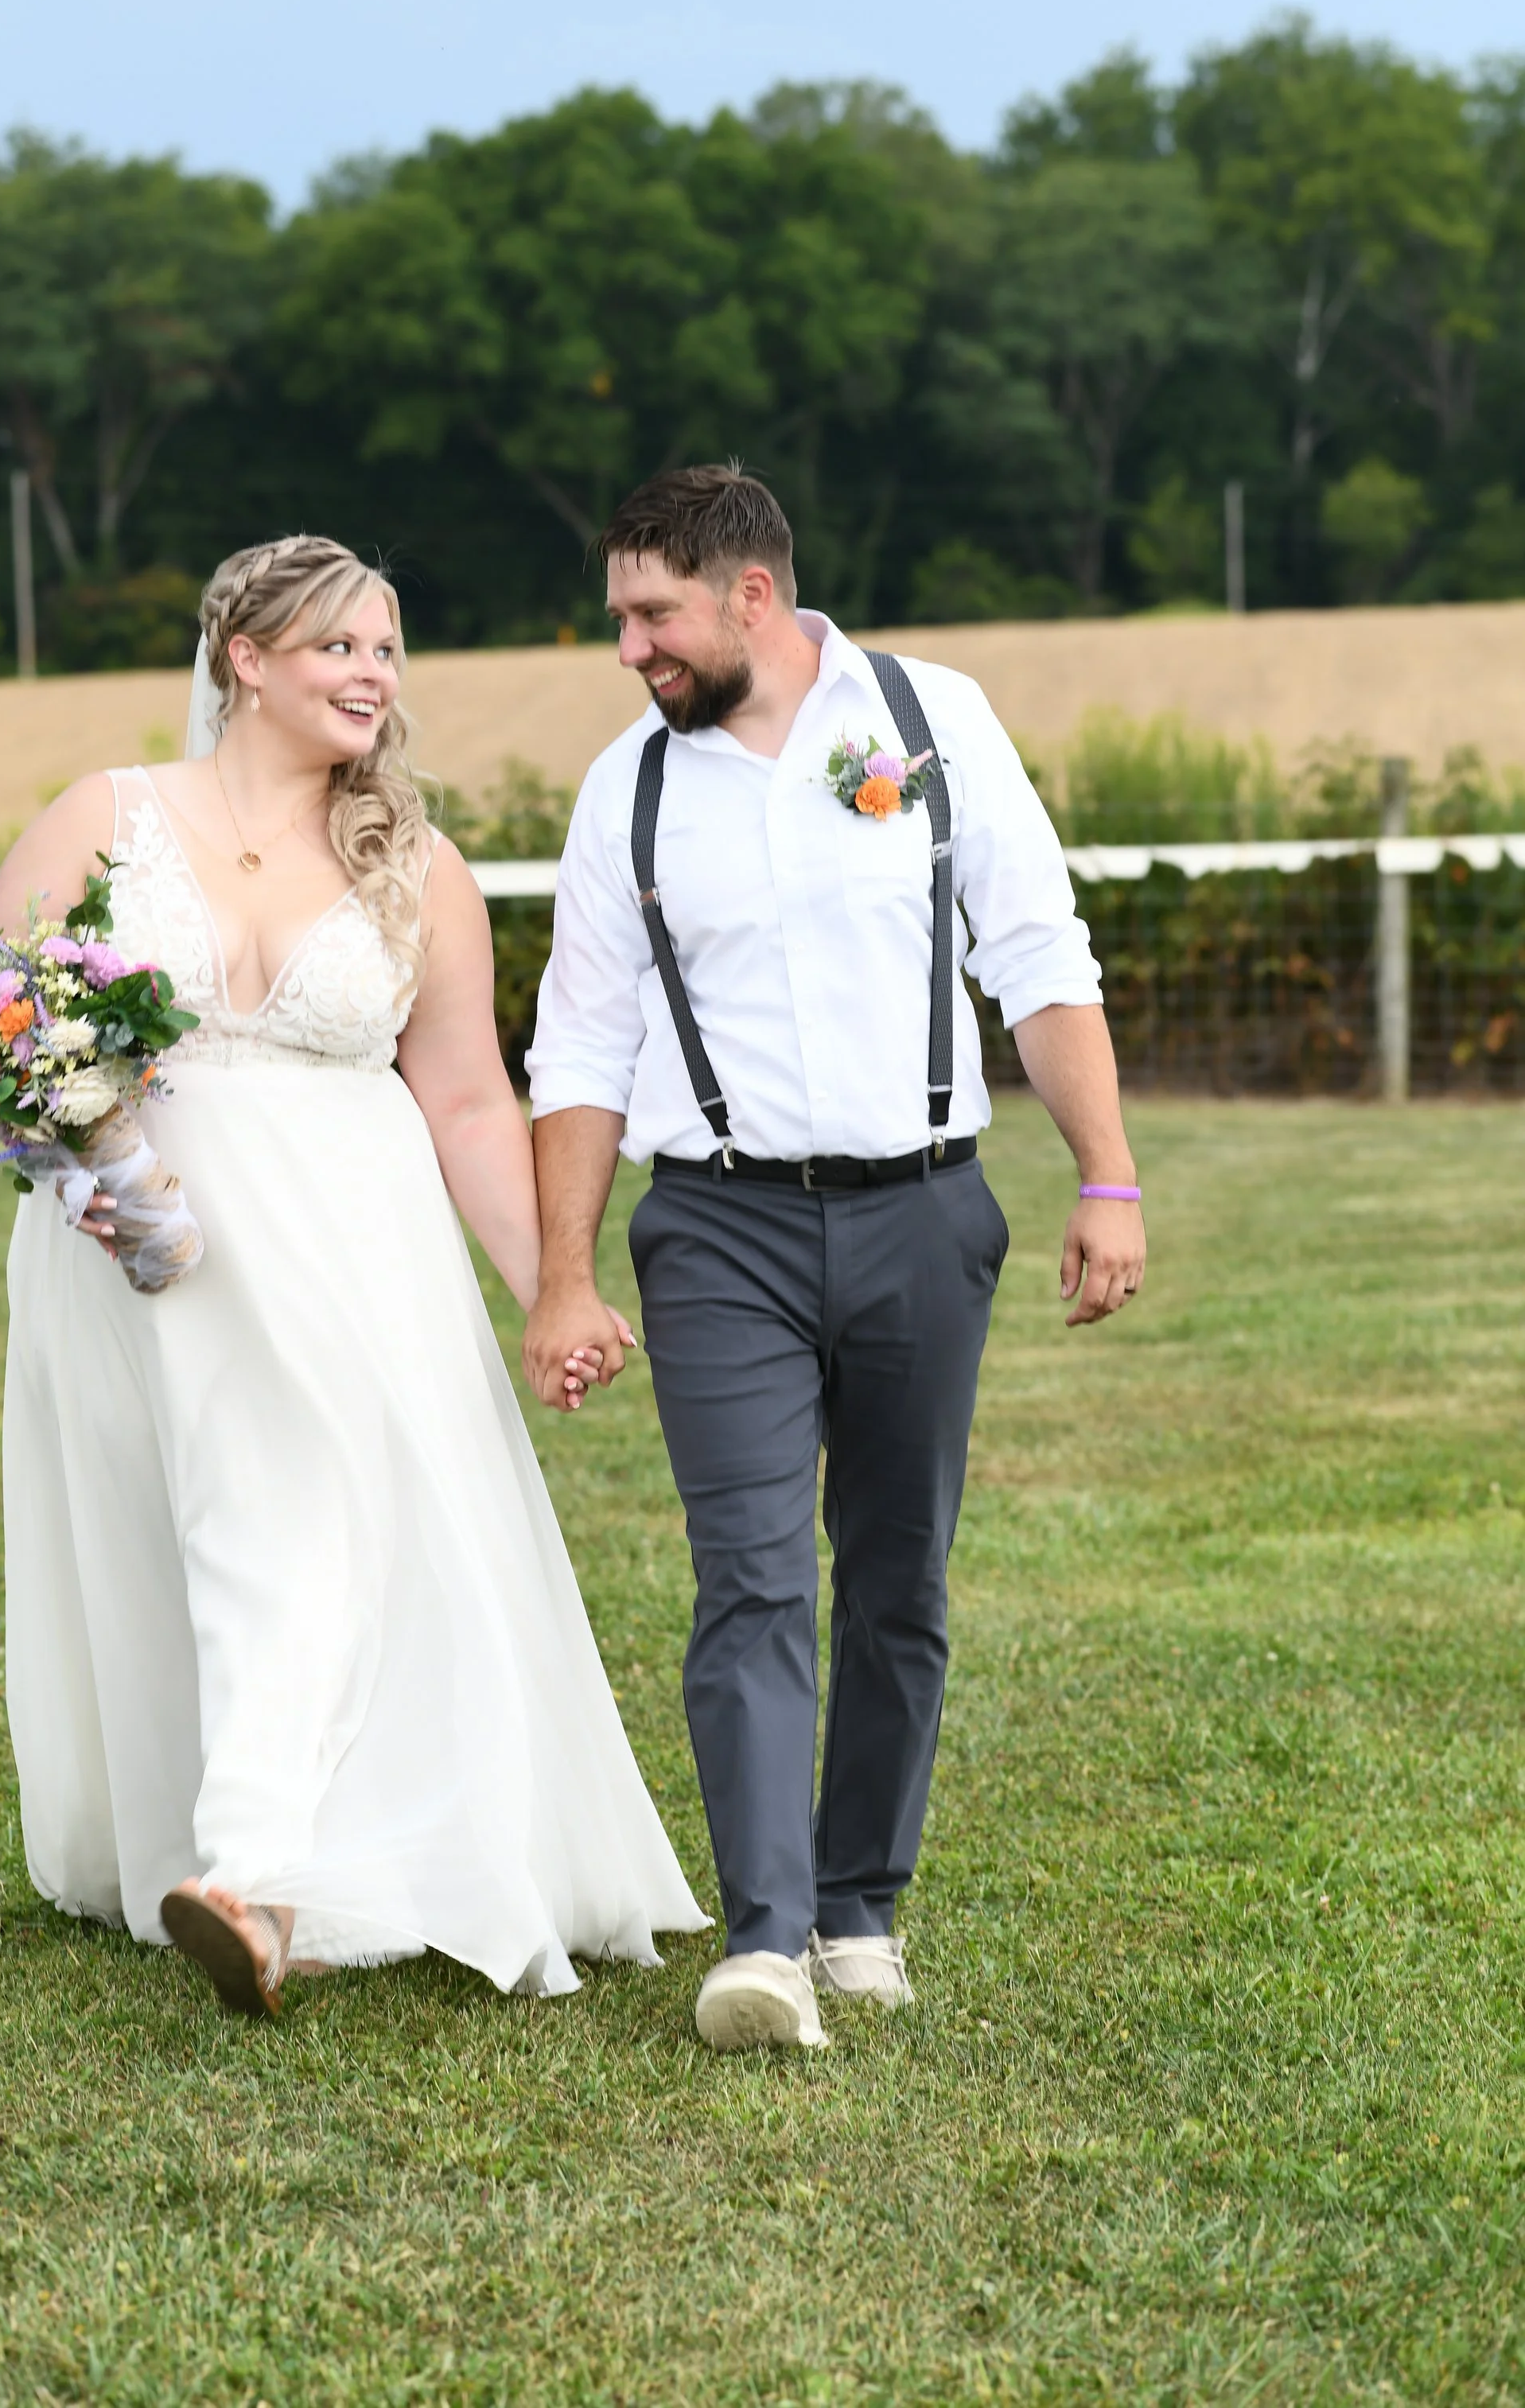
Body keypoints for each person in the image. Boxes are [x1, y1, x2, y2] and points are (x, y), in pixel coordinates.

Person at [0, 535, 706, 2017]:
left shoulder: (419, 868)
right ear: (244, 657)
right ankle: (207, 1837)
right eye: (341, 646)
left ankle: (252, 1875)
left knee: (292, 1518)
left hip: (345, 1250)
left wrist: (546, 1289)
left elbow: (464, 1101)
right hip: (131, 1247)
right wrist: (91, 1171)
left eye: (388, 649)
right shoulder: (104, 818)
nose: (376, 673)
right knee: (162, 1535)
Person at [522, 467, 1145, 2052]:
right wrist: (565, 1273)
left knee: (894, 1577)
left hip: (923, 1213)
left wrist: (1106, 1176)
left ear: (746, 597)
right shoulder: (626, 792)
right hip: (716, 1223)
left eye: (650, 614)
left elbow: (1034, 950)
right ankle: (763, 1939)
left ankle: (860, 1906)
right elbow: (580, 1040)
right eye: (617, 618)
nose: (626, 649)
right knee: (745, 1576)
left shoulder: (929, 721)